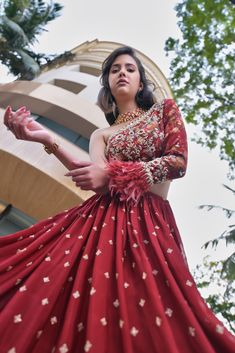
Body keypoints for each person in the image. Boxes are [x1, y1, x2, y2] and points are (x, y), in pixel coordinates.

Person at [0, 46, 234, 353]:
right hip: (98, 221)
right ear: (108, 84)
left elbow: (177, 163)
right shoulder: (102, 134)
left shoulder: (164, 111)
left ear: (140, 83)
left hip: (148, 222)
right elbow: (95, 177)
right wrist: (44, 137)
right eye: (114, 69)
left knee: (154, 309)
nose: (122, 72)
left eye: (130, 68)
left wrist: (115, 175)